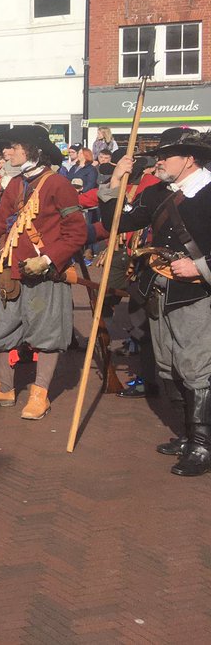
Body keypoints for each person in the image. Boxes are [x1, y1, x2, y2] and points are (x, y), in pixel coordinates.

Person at [0, 125, 87, 420]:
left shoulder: (59, 185)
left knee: (47, 337)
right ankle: (3, 389)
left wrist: (48, 259)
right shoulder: (16, 184)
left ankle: (39, 395)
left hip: (45, 274)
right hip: (12, 271)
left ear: (33, 151)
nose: (7, 152)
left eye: (14, 146)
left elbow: (76, 234)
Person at [102, 128, 211, 475]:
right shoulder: (157, 193)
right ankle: (185, 434)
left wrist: (199, 267)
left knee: (196, 369)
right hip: (159, 293)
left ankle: (202, 446)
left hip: (196, 294)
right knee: (169, 366)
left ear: (190, 159)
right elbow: (117, 222)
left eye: (167, 156)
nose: (159, 161)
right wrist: (116, 181)